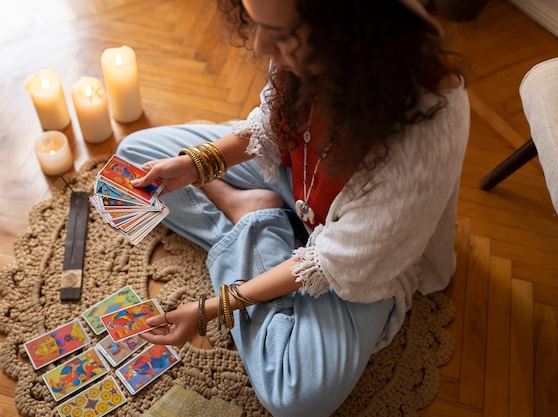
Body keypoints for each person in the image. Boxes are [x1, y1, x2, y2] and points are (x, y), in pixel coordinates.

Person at [117, 0, 470, 416]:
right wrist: (196, 163)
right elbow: (270, 127)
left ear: (348, 32)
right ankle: (247, 213)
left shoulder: (428, 127)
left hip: (360, 264)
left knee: (297, 397)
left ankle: (247, 216)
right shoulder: (300, 42)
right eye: (256, 22)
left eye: (280, 33)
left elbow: (332, 260)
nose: (262, 45)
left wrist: (208, 310)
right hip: (293, 185)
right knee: (134, 158)